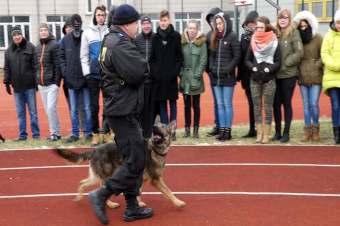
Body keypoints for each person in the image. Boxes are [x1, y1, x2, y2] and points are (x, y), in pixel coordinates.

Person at [89, 4, 153, 225]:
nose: (138, 27)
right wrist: (144, 68)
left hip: (119, 107)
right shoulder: (121, 44)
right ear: (128, 24)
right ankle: (102, 194)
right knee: (136, 159)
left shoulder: (110, 39)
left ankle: (132, 207)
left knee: (131, 157)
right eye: (136, 22)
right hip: (123, 108)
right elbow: (139, 72)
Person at [245, 16, 281, 144]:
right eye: (257, 27)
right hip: (255, 79)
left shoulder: (274, 41)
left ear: (266, 27)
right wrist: (253, 67)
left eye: (261, 27)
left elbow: (278, 61)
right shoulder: (253, 41)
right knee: (256, 107)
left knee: (268, 107)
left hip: (269, 80)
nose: (259, 29)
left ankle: (266, 134)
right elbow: (247, 60)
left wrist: (269, 69)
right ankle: (259, 133)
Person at [149, 10, 183, 140]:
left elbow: (179, 58)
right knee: (162, 105)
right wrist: (156, 73)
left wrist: (174, 73)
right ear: (159, 21)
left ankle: (173, 130)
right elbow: (152, 59)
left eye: (165, 20)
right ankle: (165, 131)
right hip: (159, 79)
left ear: (169, 21)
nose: (163, 23)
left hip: (171, 79)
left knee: (173, 104)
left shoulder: (175, 36)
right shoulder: (155, 37)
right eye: (161, 20)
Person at [59, 14, 92, 143]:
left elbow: (90, 55)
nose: (76, 25)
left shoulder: (86, 36)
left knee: (87, 107)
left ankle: (88, 132)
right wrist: (65, 72)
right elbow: (61, 57)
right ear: (72, 24)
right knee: (73, 109)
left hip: (85, 79)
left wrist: (88, 73)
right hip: (71, 80)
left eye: (79, 22)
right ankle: (75, 133)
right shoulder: (65, 40)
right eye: (74, 23)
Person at [81, 5, 111, 145]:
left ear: (105, 16)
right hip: (92, 76)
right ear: (95, 16)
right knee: (94, 106)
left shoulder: (110, 31)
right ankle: (95, 134)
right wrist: (87, 73)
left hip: (107, 75)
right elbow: (83, 56)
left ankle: (106, 132)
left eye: (102, 15)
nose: (100, 17)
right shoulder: (87, 33)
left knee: (107, 105)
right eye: (98, 15)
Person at [3, 26, 40, 141]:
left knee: (33, 112)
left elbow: (36, 66)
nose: (17, 37)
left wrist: (36, 82)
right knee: (20, 113)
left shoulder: (30, 47)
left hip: (29, 86)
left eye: (18, 34)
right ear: (12, 37)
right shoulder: (9, 51)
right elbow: (7, 68)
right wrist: (7, 83)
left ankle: (36, 135)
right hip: (17, 87)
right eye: (14, 35)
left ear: (22, 35)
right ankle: (22, 135)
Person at [209, 12, 241, 141]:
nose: (219, 26)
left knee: (227, 104)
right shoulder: (214, 37)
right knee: (220, 104)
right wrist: (211, 67)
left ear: (226, 23)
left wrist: (228, 69)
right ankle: (221, 130)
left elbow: (237, 56)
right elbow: (211, 55)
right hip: (216, 77)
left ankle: (228, 131)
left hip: (228, 77)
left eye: (221, 23)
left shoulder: (232, 36)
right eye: (217, 24)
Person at [273, 9, 303, 143]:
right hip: (276, 75)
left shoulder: (294, 32)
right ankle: (277, 132)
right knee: (275, 104)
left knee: (286, 103)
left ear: (289, 19)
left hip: (289, 75)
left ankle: (286, 133)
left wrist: (286, 63)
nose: (282, 20)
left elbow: (299, 52)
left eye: (285, 18)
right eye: (280, 18)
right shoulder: (275, 33)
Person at [293, 11, 323, 142]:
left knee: (313, 104)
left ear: (310, 25)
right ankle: (307, 130)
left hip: (316, 76)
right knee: (305, 105)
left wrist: (317, 64)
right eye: (301, 26)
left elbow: (324, 54)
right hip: (302, 76)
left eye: (305, 25)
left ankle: (316, 128)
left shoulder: (318, 38)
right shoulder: (297, 40)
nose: (303, 28)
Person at [179, 20, 207, 138]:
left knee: (196, 105)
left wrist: (197, 75)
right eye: (190, 28)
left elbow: (203, 60)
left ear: (197, 30)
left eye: (194, 28)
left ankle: (195, 130)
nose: (192, 30)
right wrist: (181, 74)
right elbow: (178, 59)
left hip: (196, 80)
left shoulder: (202, 43)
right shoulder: (182, 43)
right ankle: (187, 129)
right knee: (186, 106)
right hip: (185, 80)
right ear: (187, 29)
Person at [36, 23, 61, 141]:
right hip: (41, 85)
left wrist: (56, 82)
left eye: (45, 30)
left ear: (49, 31)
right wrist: (37, 81)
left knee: (51, 108)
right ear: (39, 33)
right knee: (48, 110)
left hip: (52, 84)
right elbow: (37, 66)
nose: (43, 32)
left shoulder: (54, 45)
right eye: (41, 30)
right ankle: (54, 133)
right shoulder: (38, 47)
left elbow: (57, 65)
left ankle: (55, 133)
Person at [135, 15, 156, 139]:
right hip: (142, 80)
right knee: (141, 108)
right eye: (144, 24)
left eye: (148, 24)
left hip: (153, 80)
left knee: (152, 108)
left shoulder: (155, 38)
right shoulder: (137, 39)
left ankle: (150, 132)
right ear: (141, 25)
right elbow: (135, 58)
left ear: (151, 25)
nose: (146, 26)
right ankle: (142, 132)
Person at [238, 10, 259, 138]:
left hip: (258, 75)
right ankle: (252, 129)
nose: (251, 26)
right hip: (246, 76)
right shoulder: (243, 37)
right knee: (251, 103)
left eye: (253, 24)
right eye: (249, 24)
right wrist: (239, 75)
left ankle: (260, 128)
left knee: (258, 103)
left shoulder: (260, 36)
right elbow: (240, 58)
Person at [321, 10, 340, 144]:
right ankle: (336, 133)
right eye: (338, 22)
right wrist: (335, 66)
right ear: (334, 22)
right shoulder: (328, 36)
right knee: (335, 106)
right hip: (332, 79)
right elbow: (324, 54)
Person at [205, 7, 223, 137]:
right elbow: (206, 56)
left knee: (223, 102)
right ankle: (217, 125)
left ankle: (223, 126)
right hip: (212, 74)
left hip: (223, 73)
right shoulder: (208, 35)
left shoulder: (225, 34)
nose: (212, 21)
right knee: (216, 101)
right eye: (210, 19)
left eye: (214, 18)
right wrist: (209, 70)